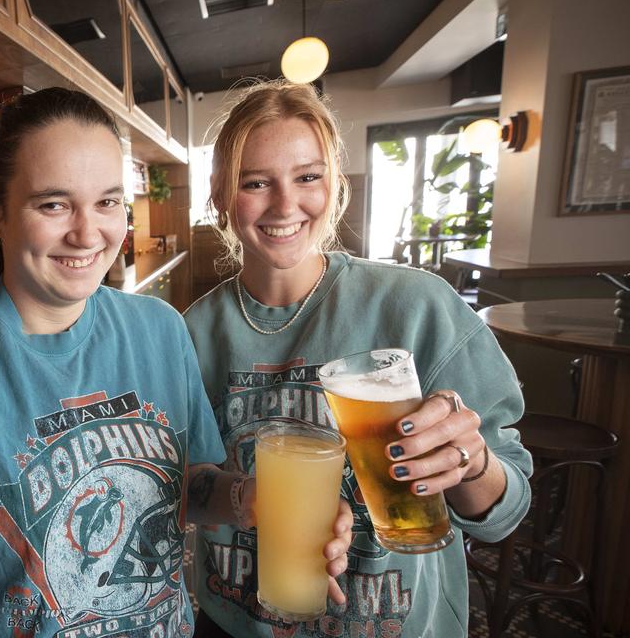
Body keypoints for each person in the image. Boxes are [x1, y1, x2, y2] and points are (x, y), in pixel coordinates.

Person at [0, 87, 352, 637]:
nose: (87, 233)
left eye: (107, 202)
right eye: (53, 204)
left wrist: (243, 499)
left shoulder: (159, 330)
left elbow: (190, 486)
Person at [184, 80, 532, 637]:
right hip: (235, 621)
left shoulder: (417, 307)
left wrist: (471, 461)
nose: (285, 203)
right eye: (255, 182)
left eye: (307, 176)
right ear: (221, 195)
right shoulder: (191, 334)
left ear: (335, 185)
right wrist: (244, 498)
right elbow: (183, 490)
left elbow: (506, 510)